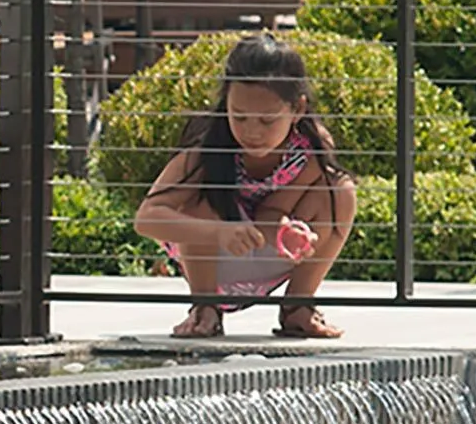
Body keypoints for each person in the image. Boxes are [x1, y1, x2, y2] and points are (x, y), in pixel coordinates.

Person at [132, 34, 360, 341]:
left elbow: (272, 210)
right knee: (201, 201)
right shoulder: (207, 152)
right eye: (238, 116)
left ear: (297, 109)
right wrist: (219, 232)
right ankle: (205, 309)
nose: (251, 132)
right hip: (210, 262)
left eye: (267, 120)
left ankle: (297, 307)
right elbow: (146, 219)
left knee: (340, 191)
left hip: (272, 253)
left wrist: (284, 233)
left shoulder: (309, 149)